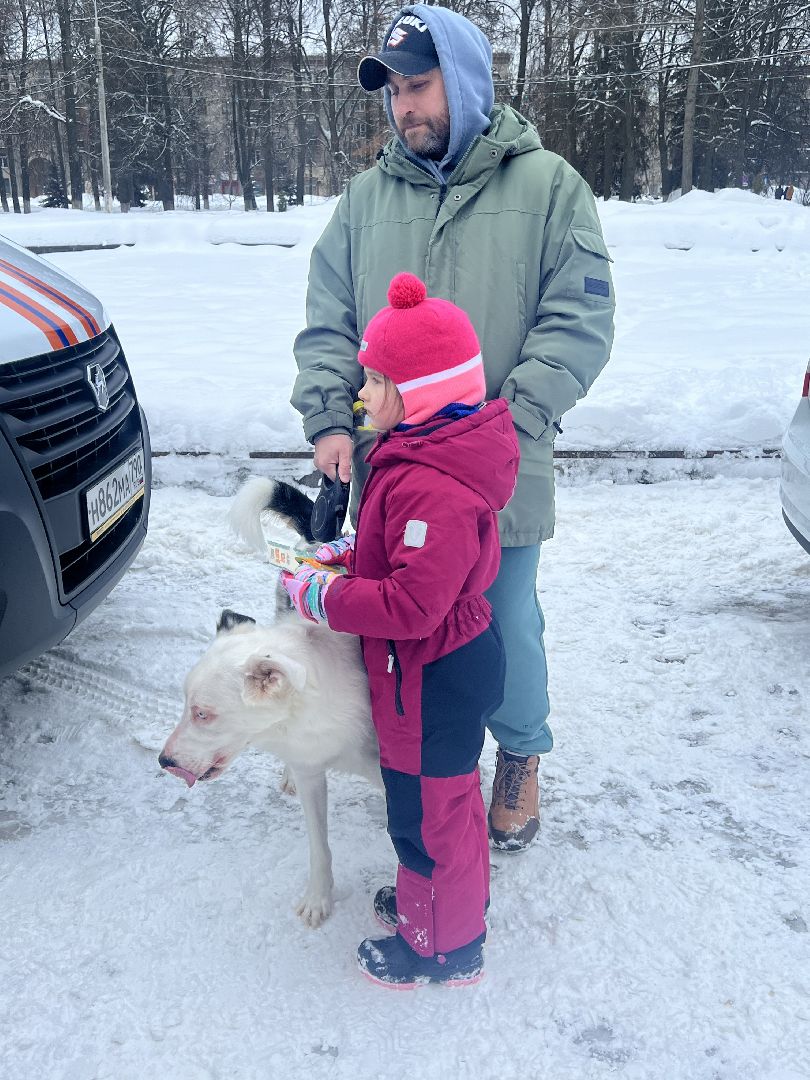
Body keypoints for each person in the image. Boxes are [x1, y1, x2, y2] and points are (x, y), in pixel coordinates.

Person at [291, 3, 615, 854]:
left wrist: (519, 419)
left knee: (503, 618)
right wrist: (329, 417)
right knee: (409, 625)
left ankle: (518, 754)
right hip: (393, 474)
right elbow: (329, 322)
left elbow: (578, 323)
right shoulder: (364, 201)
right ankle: (427, 759)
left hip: (495, 467)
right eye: (394, 91)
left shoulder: (549, 186)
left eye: (420, 85)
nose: (405, 106)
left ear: (466, 82)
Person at [282, 272, 519, 987]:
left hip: (435, 674)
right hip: (436, 666)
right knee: (440, 806)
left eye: (378, 381)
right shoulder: (419, 458)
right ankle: (440, 901)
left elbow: (414, 606)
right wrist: (347, 558)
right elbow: (405, 561)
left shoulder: (430, 485)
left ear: (422, 393)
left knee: (427, 816)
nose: (362, 395)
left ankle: (443, 947)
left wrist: (325, 600)